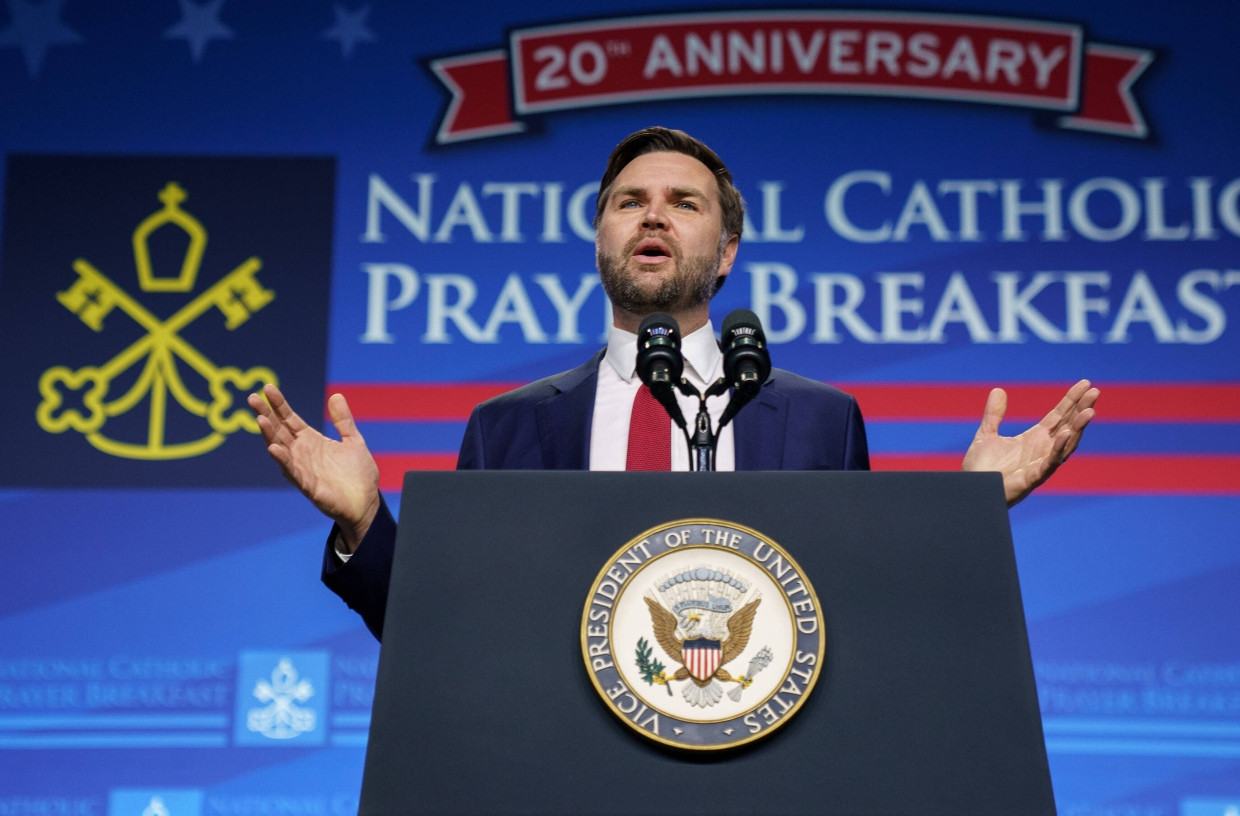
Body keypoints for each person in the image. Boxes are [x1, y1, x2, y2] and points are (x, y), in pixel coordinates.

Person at [248, 127, 1099, 640]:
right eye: (629, 201)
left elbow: (862, 624)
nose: (653, 214)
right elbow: (447, 632)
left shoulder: (818, 420)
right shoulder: (506, 429)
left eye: (684, 203)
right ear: (599, 240)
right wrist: (367, 520)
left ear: (726, 253)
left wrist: (967, 514)